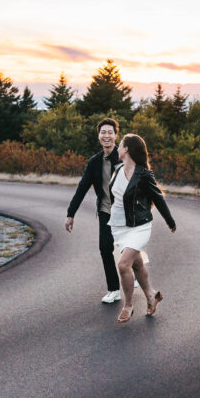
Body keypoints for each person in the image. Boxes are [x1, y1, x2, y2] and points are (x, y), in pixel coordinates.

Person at [107, 133, 176, 323]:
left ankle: (128, 305)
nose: (117, 147)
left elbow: (158, 197)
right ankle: (151, 296)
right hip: (119, 227)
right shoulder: (117, 169)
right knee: (136, 263)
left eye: (120, 144)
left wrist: (170, 221)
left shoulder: (143, 174)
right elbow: (116, 199)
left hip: (139, 227)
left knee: (123, 265)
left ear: (127, 148)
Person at [65, 118, 123, 304]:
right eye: (103, 132)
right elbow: (82, 188)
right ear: (99, 136)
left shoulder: (123, 157)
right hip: (106, 211)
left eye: (110, 132)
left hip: (125, 211)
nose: (106, 136)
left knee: (128, 247)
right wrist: (70, 214)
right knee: (105, 248)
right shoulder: (94, 162)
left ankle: (136, 274)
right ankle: (114, 290)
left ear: (116, 135)